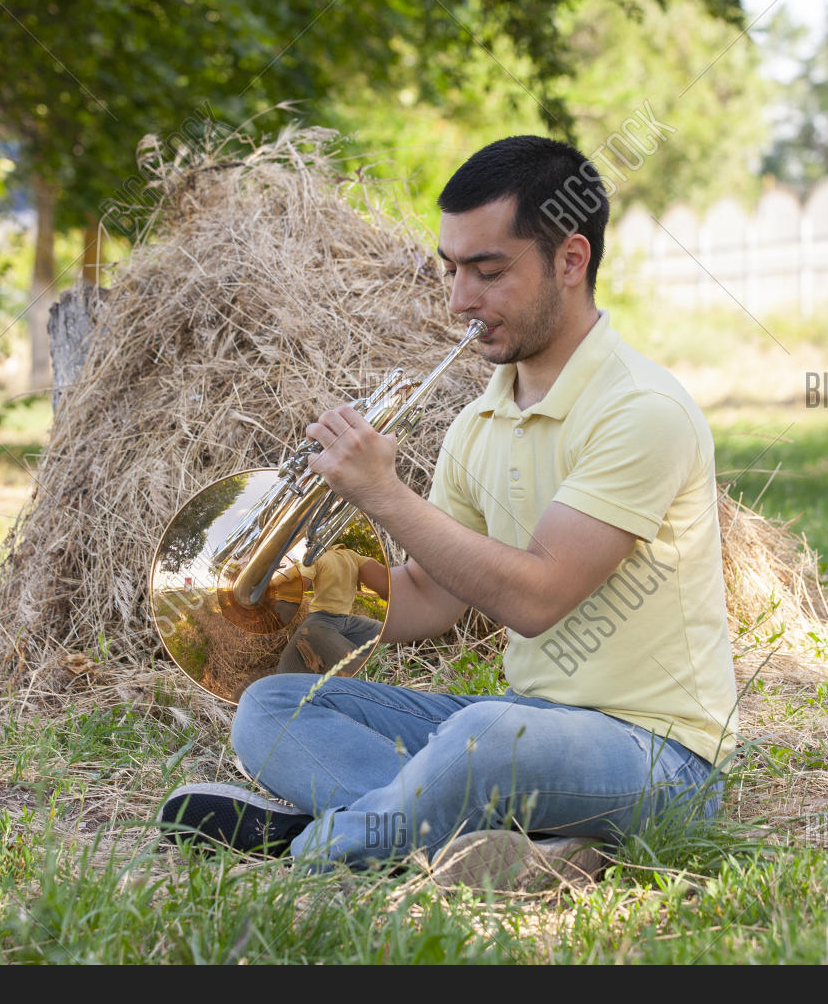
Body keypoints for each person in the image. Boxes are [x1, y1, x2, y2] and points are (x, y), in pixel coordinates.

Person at [160, 135, 738, 881]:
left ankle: (314, 841)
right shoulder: (478, 424)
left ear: (570, 260)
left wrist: (381, 493)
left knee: (489, 733)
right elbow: (433, 597)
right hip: (522, 730)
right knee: (273, 708)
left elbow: (537, 600)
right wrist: (296, 581)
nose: (460, 299)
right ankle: (478, 840)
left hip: (660, 759)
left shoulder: (642, 410)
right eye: (452, 269)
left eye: (488, 271)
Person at [270, 544, 388, 675]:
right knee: (354, 665)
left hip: (347, 620)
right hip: (320, 620)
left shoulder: (348, 555)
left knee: (388, 633)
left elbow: (298, 586)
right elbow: (299, 585)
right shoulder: (343, 555)